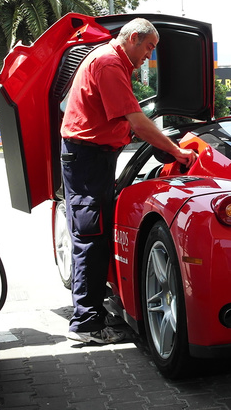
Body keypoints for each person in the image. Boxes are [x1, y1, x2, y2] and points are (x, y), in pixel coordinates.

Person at [61, 18, 197, 345]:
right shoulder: (109, 63)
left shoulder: (113, 61)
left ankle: (92, 312)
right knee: (90, 238)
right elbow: (137, 122)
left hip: (90, 157)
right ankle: (85, 324)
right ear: (133, 37)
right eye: (149, 47)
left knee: (94, 234)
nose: (149, 55)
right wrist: (176, 151)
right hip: (88, 159)